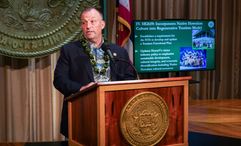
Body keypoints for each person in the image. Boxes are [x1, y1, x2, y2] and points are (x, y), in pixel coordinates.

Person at [53, 7, 136, 138]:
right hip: (81, 114)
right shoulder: (70, 51)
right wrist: (81, 88)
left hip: (114, 114)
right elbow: (59, 80)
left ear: (102, 24)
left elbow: (130, 77)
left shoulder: (118, 51)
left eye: (92, 21)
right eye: (84, 22)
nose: (88, 26)